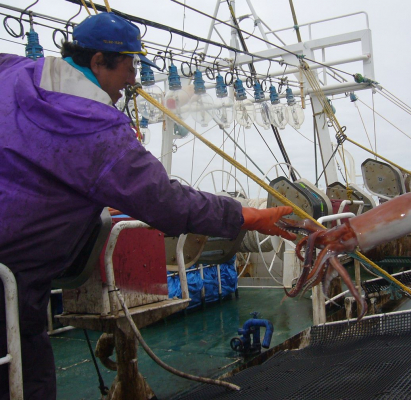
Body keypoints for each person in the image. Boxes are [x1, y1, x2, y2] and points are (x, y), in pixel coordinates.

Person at [0, 12, 295, 400]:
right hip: (14, 281)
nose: (134, 78)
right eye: (129, 65)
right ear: (98, 62)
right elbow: (165, 203)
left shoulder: (12, 69)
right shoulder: (98, 130)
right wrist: (245, 215)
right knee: (25, 379)